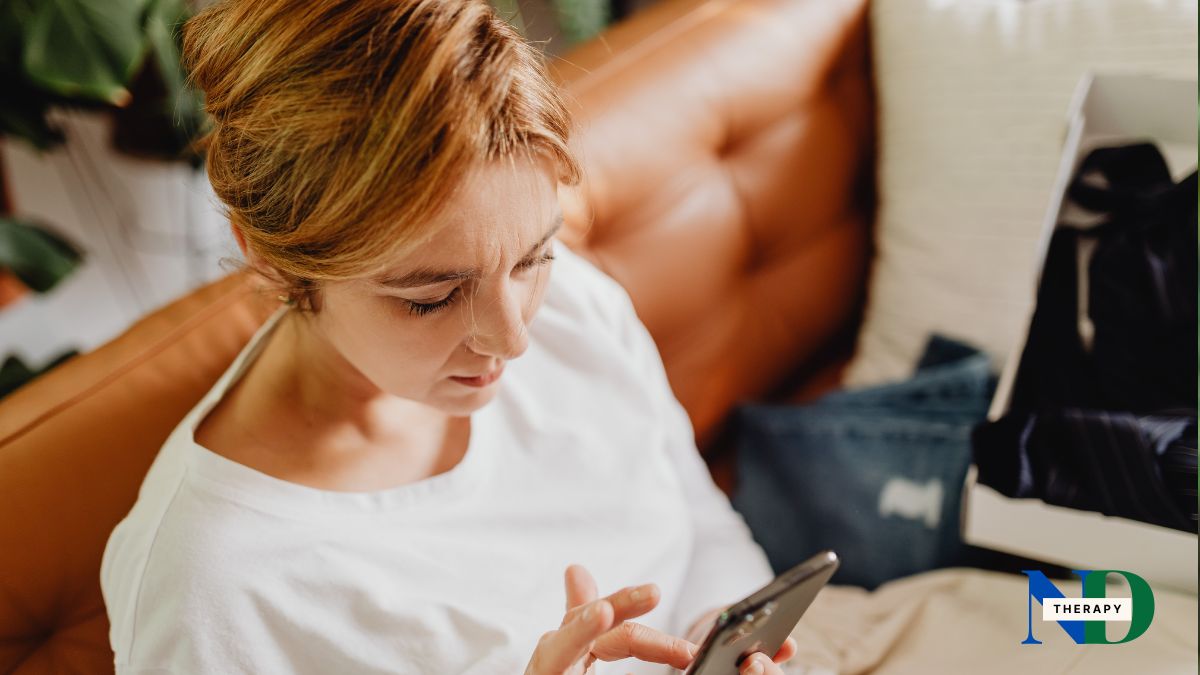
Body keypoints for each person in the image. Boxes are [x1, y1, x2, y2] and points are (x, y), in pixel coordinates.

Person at [100, 0, 798, 673]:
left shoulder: (574, 306)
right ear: (268, 254)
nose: (514, 338)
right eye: (432, 298)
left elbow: (700, 520)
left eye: (534, 258)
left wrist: (721, 635)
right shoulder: (214, 584)